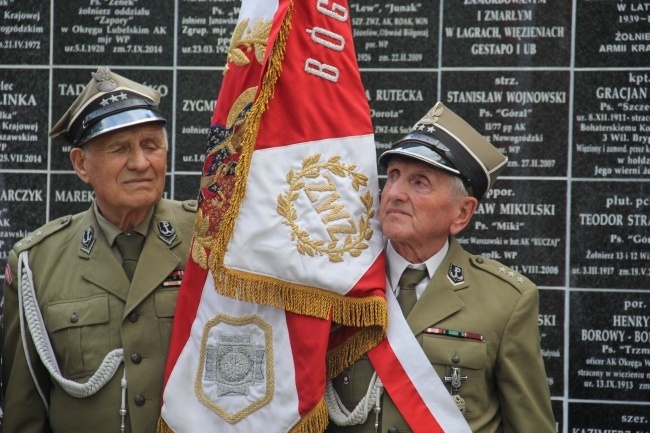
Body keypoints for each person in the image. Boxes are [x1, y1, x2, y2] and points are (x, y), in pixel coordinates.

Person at [326, 102, 555, 433]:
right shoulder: (336, 282)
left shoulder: (507, 301)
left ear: (462, 213)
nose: (395, 194)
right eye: (393, 176)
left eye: (419, 182)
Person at [1, 67, 197, 433]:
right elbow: (23, 410)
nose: (140, 163)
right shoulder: (38, 263)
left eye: (151, 146)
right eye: (120, 149)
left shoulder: (209, 241)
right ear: (80, 164)